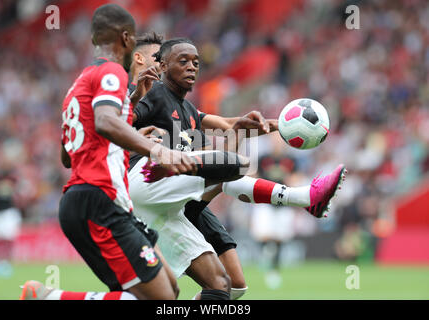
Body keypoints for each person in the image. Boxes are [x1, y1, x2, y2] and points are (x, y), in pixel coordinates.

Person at [128, 37, 346, 300]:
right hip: (148, 179)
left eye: (196, 63)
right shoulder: (156, 94)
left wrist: (282, 124)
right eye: (183, 61)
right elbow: (120, 124)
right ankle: (305, 198)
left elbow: (229, 124)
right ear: (163, 66)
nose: (191, 67)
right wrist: (135, 103)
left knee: (225, 287)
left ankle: (305, 199)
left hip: (170, 204)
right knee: (228, 164)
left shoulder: (188, 110)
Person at [20, 4, 199, 300]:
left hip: (91, 200)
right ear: (127, 39)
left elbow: (69, 156)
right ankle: (48, 296)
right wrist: (159, 151)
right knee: (160, 299)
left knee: (170, 288)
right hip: (99, 200)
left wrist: (128, 129)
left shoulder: (77, 86)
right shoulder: (112, 72)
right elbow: (105, 122)